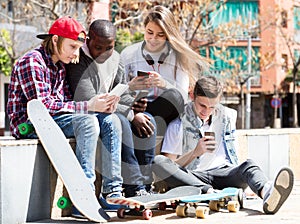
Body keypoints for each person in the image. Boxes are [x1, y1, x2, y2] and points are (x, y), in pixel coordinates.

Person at [6, 16, 121, 218]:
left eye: (78, 48)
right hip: (31, 124)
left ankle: (113, 192)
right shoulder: (32, 62)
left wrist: (101, 105)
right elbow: (41, 108)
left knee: (110, 121)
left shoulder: (59, 65)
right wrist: (88, 106)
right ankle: (83, 198)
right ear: (55, 40)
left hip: (54, 120)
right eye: (72, 47)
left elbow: (66, 102)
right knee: (87, 121)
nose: (76, 54)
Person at [152, 75, 294, 214]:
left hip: (224, 174)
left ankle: (267, 193)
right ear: (192, 96)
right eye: (202, 105)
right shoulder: (178, 124)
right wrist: (194, 153)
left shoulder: (227, 117)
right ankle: (210, 192)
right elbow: (169, 167)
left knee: (249, 166)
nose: (206, 111)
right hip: (193, 177)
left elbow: (233, 155)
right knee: (158, 162)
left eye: (212, 107)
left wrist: (249, 185)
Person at [65, 19, 157, 199]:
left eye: (109, 47)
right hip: (89, 114)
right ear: (88, 40)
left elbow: (121, 90)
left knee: (148, 119)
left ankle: (145, 185)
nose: (104, 53)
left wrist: (135, 104)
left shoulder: (115, 58)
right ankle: (133, 187)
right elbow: (89, 99)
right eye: (98, 47)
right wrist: (130, 114)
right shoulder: (78, 60)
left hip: (111, 110)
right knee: (121, 121)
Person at [120, 5, 209, 136]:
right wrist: (130, 87)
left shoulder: (179, 57)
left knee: (174, 96)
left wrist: (164, 84)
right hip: (136, 110)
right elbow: (117, 93)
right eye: (149, 32)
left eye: (160, 35)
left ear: (168, 37)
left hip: (164, 112)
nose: (153, 39)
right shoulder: (128, 54)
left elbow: (182, 99)